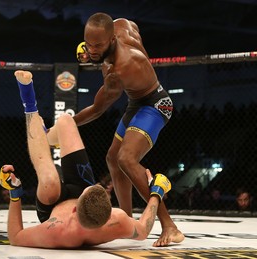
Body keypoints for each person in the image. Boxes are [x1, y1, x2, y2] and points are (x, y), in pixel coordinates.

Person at [0, 70, 171, 248]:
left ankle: (29, 101)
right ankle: (45, 137)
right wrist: (156, 194)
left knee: (49, 180)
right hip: (82, 200)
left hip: (52, 205)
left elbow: (16, 236)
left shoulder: (56, 230)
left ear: (74, 209)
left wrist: (15, 194)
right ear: (108, 211)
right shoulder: (115, 220)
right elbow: (143, 230)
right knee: (66, 120)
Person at [73, 12, 183, 246]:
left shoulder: (118, 71)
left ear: (111, 40)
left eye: (98, 46)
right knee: (112, 158)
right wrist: (98, 49)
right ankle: (126, 219)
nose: (91, 51)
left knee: (126, 158)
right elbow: (129, 24)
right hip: (137, 102)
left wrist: (65, 125)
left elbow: (96, 110)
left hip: (155, 104)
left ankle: (170, 226)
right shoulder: (119, 27)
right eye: (88, 43)